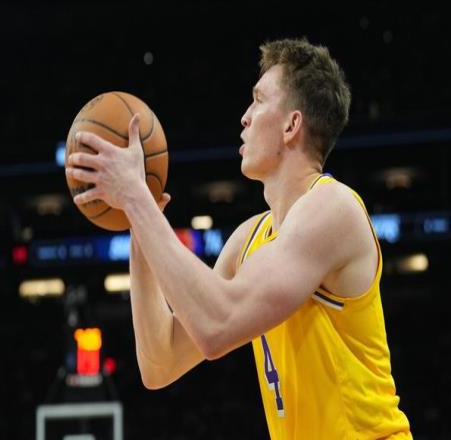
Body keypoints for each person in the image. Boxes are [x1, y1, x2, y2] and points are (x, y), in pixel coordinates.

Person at [66, 37, 412, 439]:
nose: (245, 117)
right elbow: (159, 364)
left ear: (292, 125)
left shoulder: (333, 208)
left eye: (258, 100)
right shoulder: (250, 238)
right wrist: (139, 222)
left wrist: (136, 198)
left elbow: (217, 325)